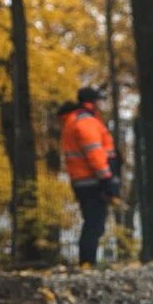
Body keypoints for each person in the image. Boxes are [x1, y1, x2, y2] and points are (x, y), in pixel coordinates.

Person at [58, 87, 120, 265]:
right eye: (99, 101)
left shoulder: (73, 120)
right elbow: (94, 152)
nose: (101, 105)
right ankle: (87, 263)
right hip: (92, 180)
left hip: (82, 180)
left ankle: (87, 262)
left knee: (92, 222)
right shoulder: (86, 122)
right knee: (94, 224)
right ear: (91, 102)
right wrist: (107, 178)